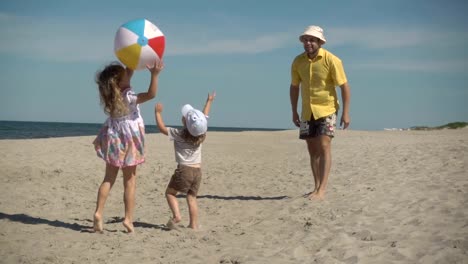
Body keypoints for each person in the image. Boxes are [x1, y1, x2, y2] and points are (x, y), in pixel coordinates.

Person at [92, 60, 164, 233]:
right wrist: (154, 75)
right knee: (130, 181)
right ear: (120, 81)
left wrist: (130, 57)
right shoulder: (129, 97)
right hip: (129, 139)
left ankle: (98, 213)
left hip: (114, 138)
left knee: (108, 178)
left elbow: (128, 71)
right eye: (124, 74)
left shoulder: (110, 97)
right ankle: (128, 219)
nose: (128, 73)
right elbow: (151, 94)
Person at [289, 25, 351, 200]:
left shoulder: (332, 60)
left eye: (312, 40)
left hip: (327, 109)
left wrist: (346, 113)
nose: (308, 43)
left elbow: (344, 86)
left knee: (324, 146)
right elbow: (294, 87)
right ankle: (316, 187)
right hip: (307, 111)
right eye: (306, 40)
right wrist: (294, 111)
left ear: (319, 42)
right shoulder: (298, 61)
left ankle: (322, 190)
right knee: (312, 149)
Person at [154, 92, 215, 230]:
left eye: (185, 117)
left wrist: (158, 113)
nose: (183, 116)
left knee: (170, 193)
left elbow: (162, 128)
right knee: (191, 197)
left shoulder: (179, 134)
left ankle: (177, 216)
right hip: (197, 171)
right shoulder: (201, 134)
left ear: (185, 123)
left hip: (184, 170)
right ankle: (193, 225)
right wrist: (209, 101)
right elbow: (204, 117)